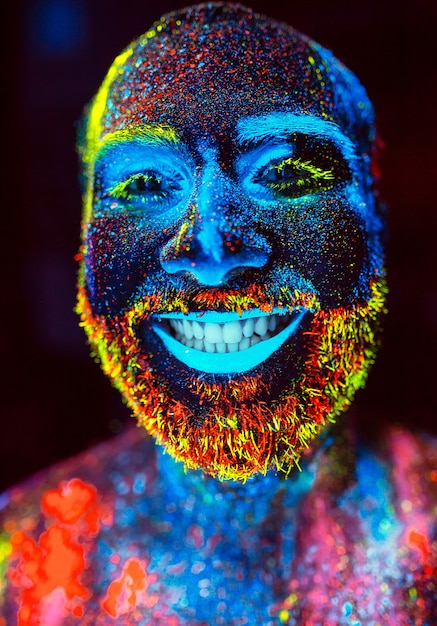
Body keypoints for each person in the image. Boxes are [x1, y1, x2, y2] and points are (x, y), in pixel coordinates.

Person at [1, 3, 436, 624]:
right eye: (144, 186)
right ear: (84, 244)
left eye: (286, 173)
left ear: (374, 221)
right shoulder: (19, 559)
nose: (211, 252)